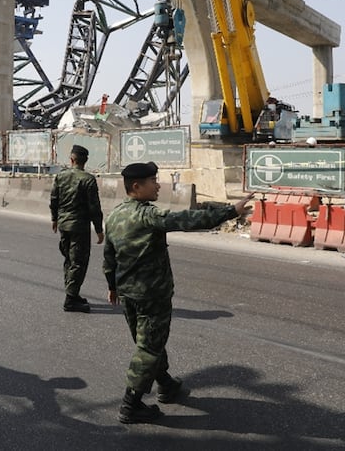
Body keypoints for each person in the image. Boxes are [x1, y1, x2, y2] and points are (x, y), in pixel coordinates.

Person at [103, 161, 254, 424]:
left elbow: (109, 256)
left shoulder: (114, 215)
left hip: (127, 294)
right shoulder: (147, 215)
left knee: (150, 342)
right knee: (148, 348)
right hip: (151, 295)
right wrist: (230, 211)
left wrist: (112, 286)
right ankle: (131, 404)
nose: (158, 186)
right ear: (136, 186)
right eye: (153, 181)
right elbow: (186, 220)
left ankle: (166, 384)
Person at [49, 144, 104, 313]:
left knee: (69, 260)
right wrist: (99, 229)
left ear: (71, 159)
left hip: (64, 224)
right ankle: (71, 299)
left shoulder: (61, 176)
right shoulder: (88, 179)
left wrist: (54, 219)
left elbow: (54, 199)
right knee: (78, 262)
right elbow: (94, 207)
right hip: (79, 227)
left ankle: (72, 292)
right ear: (85, 161)